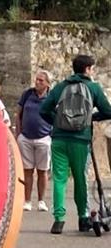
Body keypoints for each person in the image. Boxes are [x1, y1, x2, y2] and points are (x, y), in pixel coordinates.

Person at [40, 53, 111, 234]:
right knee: (81, 179)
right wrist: (91, 118)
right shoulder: (93, 87)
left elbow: (44, 110)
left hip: (59, 139)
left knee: (59, 179)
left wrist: (57, 122)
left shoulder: (61, 87)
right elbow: (108, 111)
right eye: (92, 68)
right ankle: (83, 217)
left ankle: (58, 219)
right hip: (80, 139)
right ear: (87, 69)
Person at [15, 69, 53, 212]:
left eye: (41, 80)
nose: (37, 82)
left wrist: (52, 135)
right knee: (27, 170)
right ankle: (27, 200)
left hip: (44, 138)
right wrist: (18, 134)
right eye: (36, 79)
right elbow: (18, 114)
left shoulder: (51, 97)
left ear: (48, 84)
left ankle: (41, 200)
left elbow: (57, 116)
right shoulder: (27, 94)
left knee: (43, 171)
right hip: (25, 137)